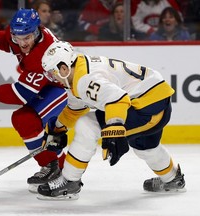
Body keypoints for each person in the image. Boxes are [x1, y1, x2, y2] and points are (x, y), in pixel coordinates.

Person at [36, 41, 186, 200]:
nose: (52, 77)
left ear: (64, 68)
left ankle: (69, 181)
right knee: (145, 146)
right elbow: (76, 108)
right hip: (154, 100)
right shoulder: (78, 71)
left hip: (146, 107)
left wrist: (114, 129)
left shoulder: (85, 79)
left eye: (52, 72)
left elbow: (117, 99)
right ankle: (173, 179)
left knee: (87, 125)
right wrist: (57, 129)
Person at [0, 8, 68, 193]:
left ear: (37, 31)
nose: (22, 43)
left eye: (26, 38)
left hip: (64, 88)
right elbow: (5, 40)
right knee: (33, 125)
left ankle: (53, 167)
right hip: (46, 85)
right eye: (18, 37)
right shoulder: (22, 35)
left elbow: (22, 93)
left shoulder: (43, 53)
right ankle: (61, 169)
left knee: (26, 120)